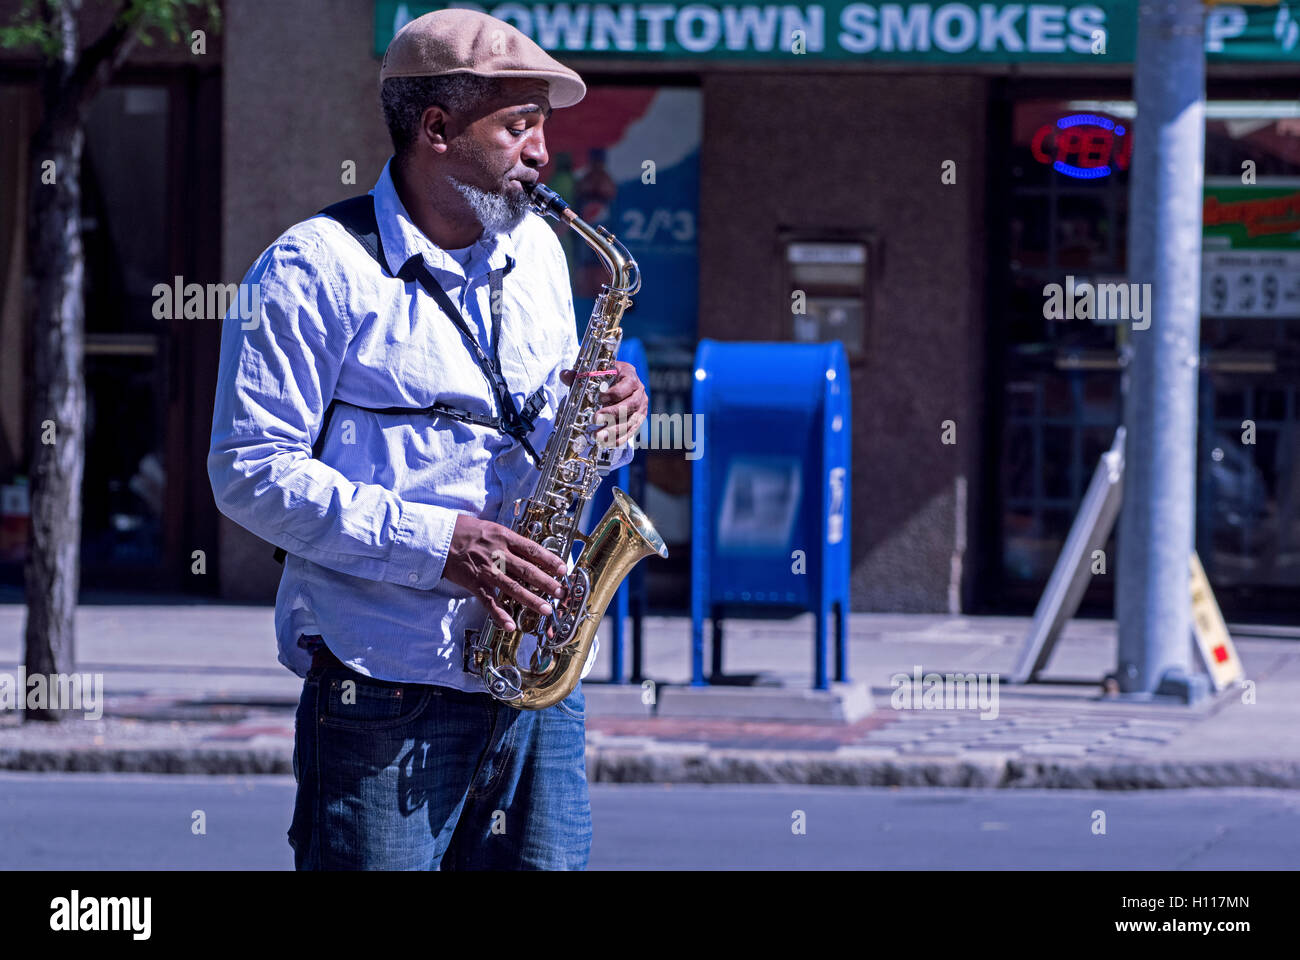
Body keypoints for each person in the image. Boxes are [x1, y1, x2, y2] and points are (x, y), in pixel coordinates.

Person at [207, 8, 647, 870]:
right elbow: (249, 471)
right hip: (383, 688)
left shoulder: (543, 259)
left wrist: (613, 422)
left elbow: (558, 449)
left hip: (537, 680)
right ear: (437, 128)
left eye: (543, 129)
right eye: (518, 126)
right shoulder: (313, 268)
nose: (542, 154)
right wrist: (444, 544)